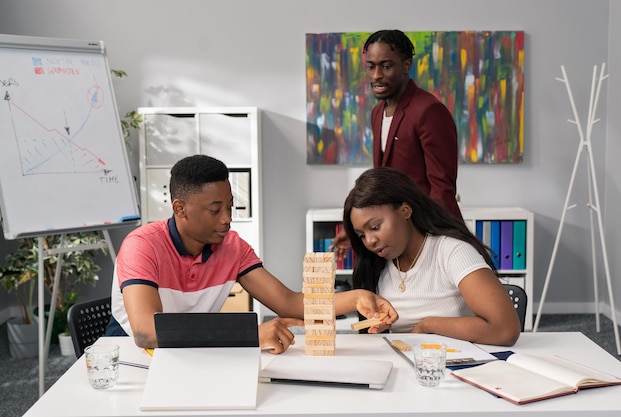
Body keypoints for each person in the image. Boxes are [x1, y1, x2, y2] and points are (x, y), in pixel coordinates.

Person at [105, 155, 397, 353]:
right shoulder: (142, 245)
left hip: (192, 354)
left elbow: (287, 302)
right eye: (215, 209)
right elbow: (147, 332)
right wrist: (248, 334)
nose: (226, 219)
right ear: (180, 208)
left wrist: (357, 297)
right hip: (130, 359)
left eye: (230, 207)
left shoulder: (231, 246)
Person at [341, 166, 520, 346]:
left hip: (454, 364)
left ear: (405, 211)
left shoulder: (452, 252)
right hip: (404, 365)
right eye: (361, 235)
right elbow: (314, 307)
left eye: (374, 227)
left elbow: (505, 330)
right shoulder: (376, 264)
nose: (369, 241)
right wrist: (359, 300)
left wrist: (428, 326)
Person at [332, 29, 461, 258]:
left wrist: (434, 246)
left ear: (406, 65)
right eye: (371, 66)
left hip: (428, 236)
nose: (377, 75)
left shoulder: (429, 111)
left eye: (386, 66)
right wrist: (357, 231)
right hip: (397, 236)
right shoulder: (377, 113)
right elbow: (381, 184)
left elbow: (442, 188)